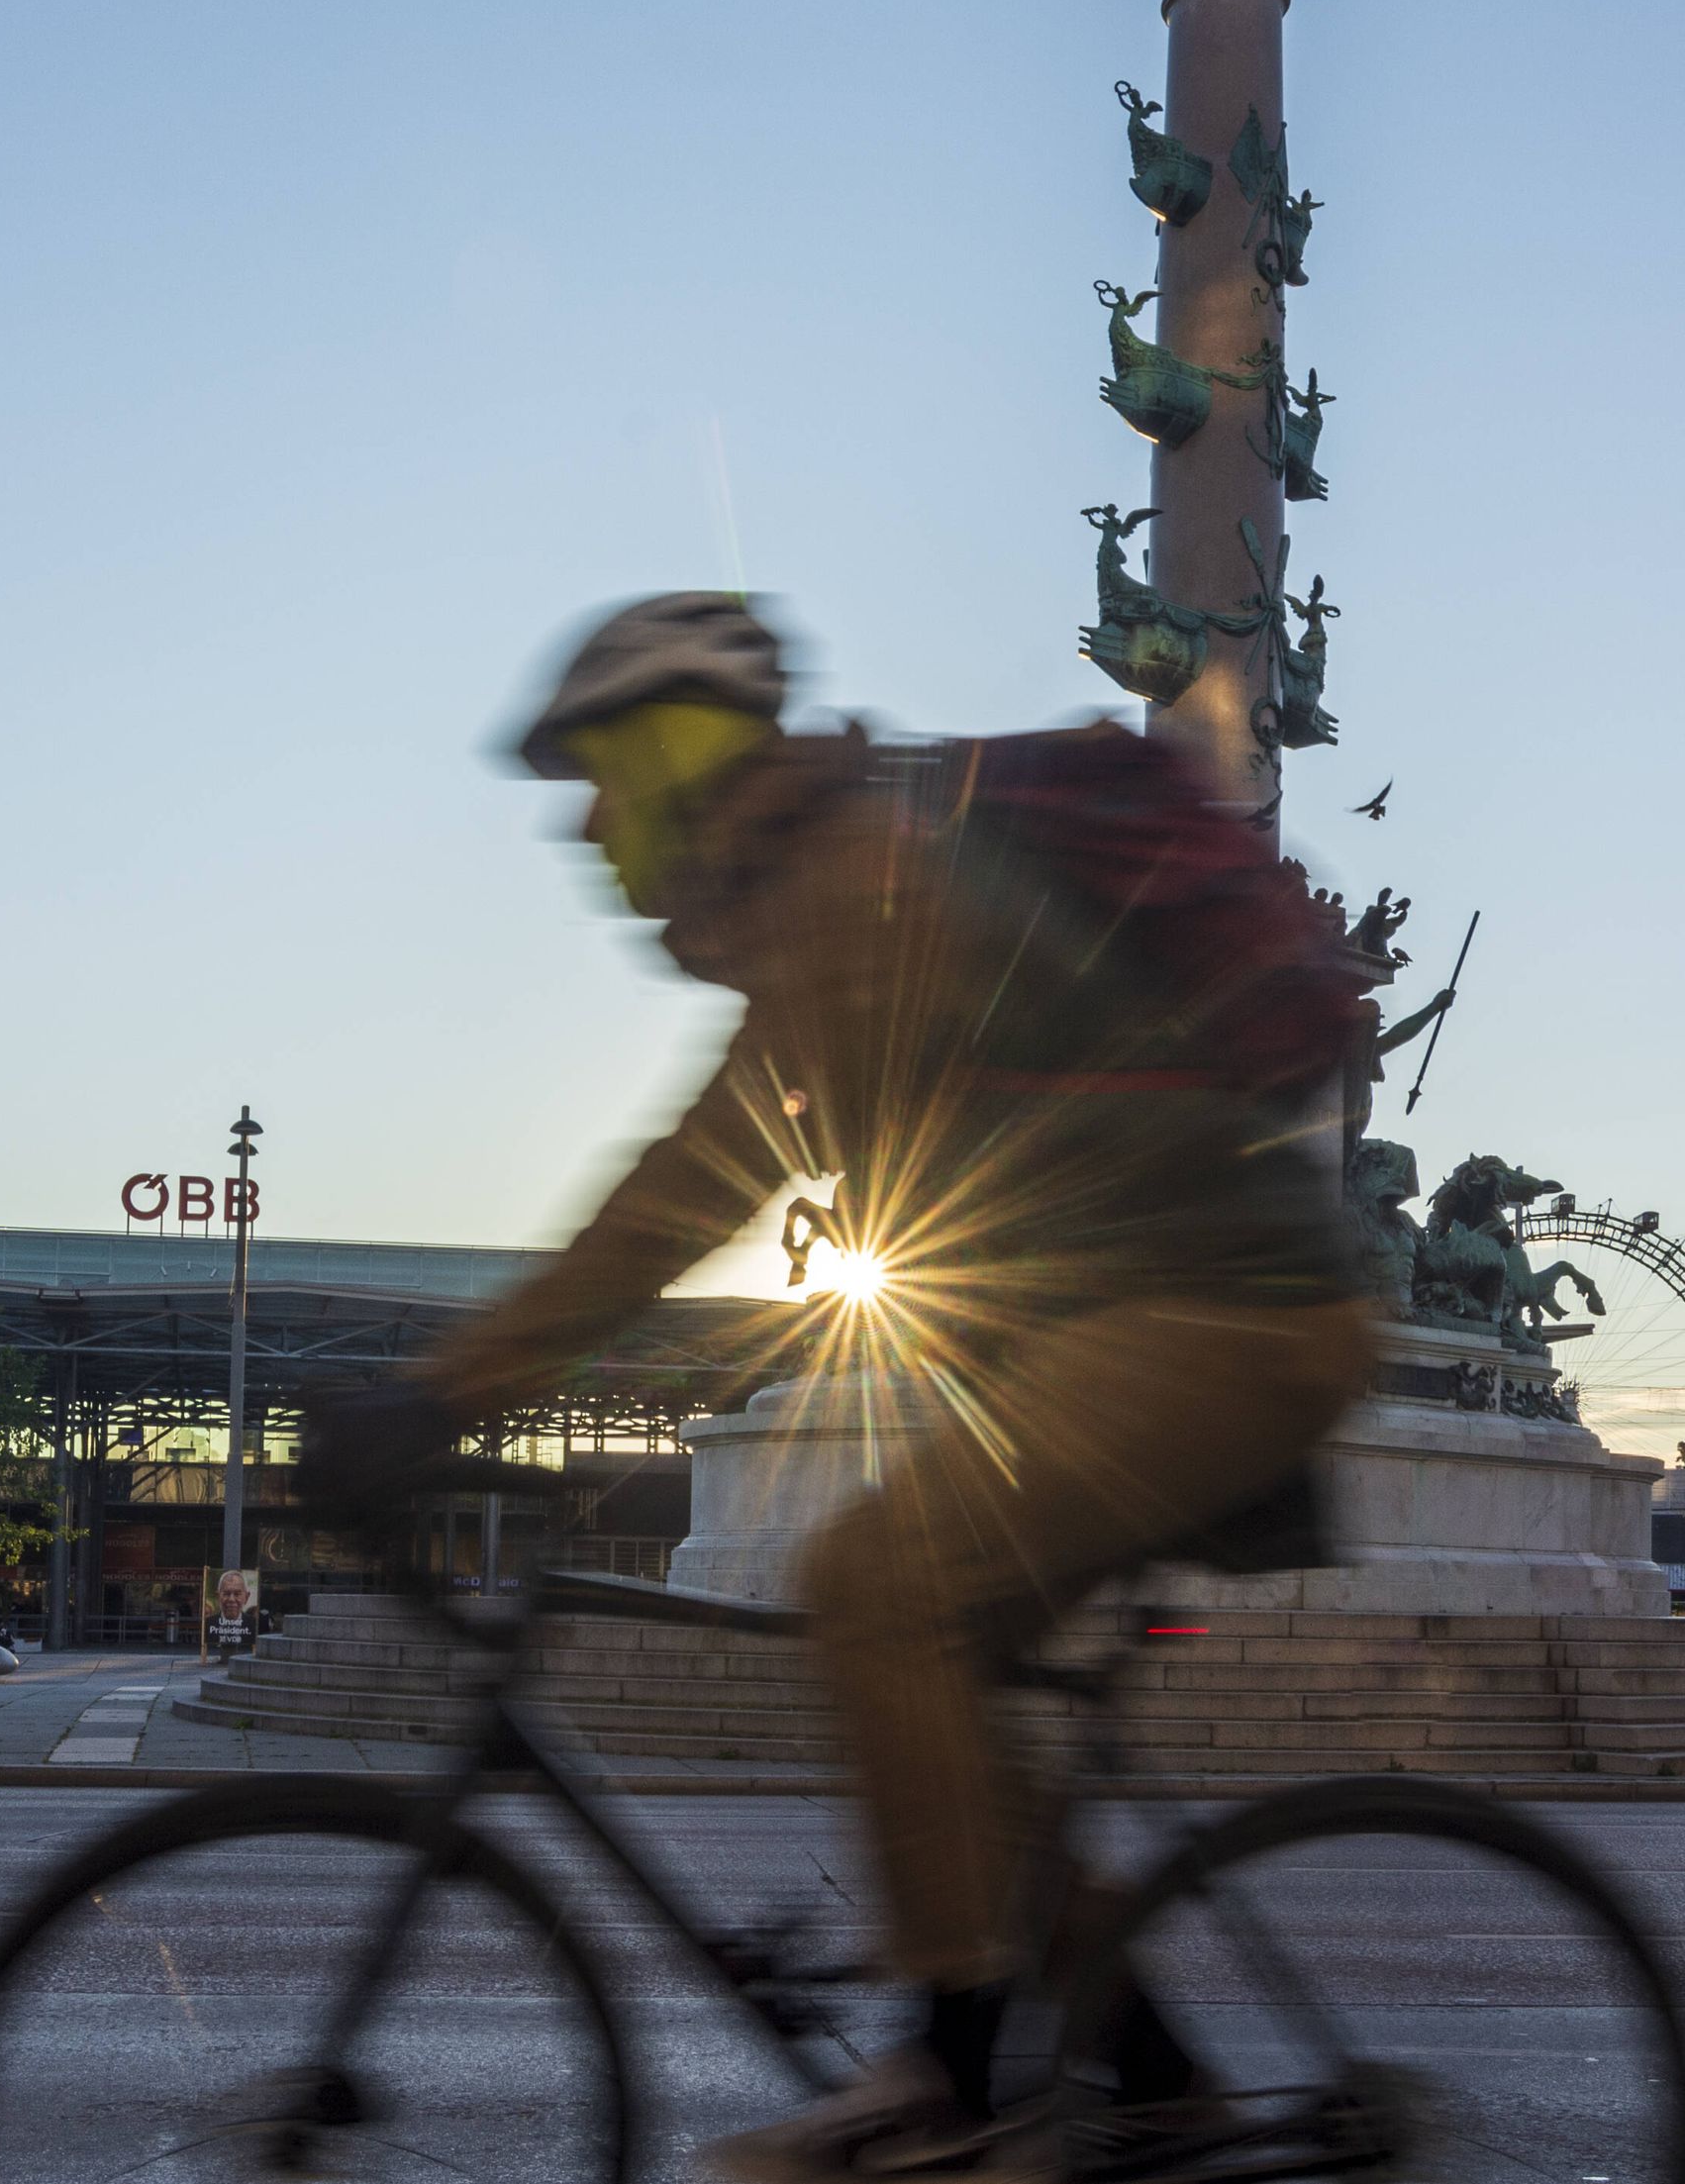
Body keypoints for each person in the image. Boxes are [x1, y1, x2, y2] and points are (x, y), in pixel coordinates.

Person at [316, 596, 1381, 2183]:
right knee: (957, 1714)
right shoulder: (835, 872)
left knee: (878, 1582)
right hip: (1170, 1312)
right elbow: (708, 1175)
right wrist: (452, 1389)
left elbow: (688, 1189)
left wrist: (438, 1398)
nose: (589, 827)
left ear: (669, 756)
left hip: (1230, 1315)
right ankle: (1158, 2079)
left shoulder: (853, 878)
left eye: (599, 780)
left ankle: (949, 2083)